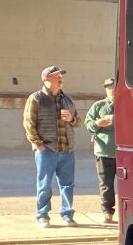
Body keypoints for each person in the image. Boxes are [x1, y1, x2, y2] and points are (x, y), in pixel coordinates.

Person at [23, 65, 80, 227]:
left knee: (68, 184)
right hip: (47, 150)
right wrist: (38, 144)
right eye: (56, 76)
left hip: (67, 150)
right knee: (44, 184)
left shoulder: (67, 99)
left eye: (61, 76)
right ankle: (43, 215)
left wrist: (71, 119)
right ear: (46, 79)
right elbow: (29, 123)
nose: (60, 78)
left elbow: (78, 121)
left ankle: (67, 214)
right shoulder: (36, 98)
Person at [83, 78, 117, 224]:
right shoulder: (98, 106)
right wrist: (97, 123)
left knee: (128, 184)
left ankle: (130, 210)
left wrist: (115, 119)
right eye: (108, 88)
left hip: (124, 152)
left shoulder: (127, 104)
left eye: (113, 87)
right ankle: (107, 212)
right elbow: (88, 123)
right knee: (106, 184)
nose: (110, 90)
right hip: (104, 151)